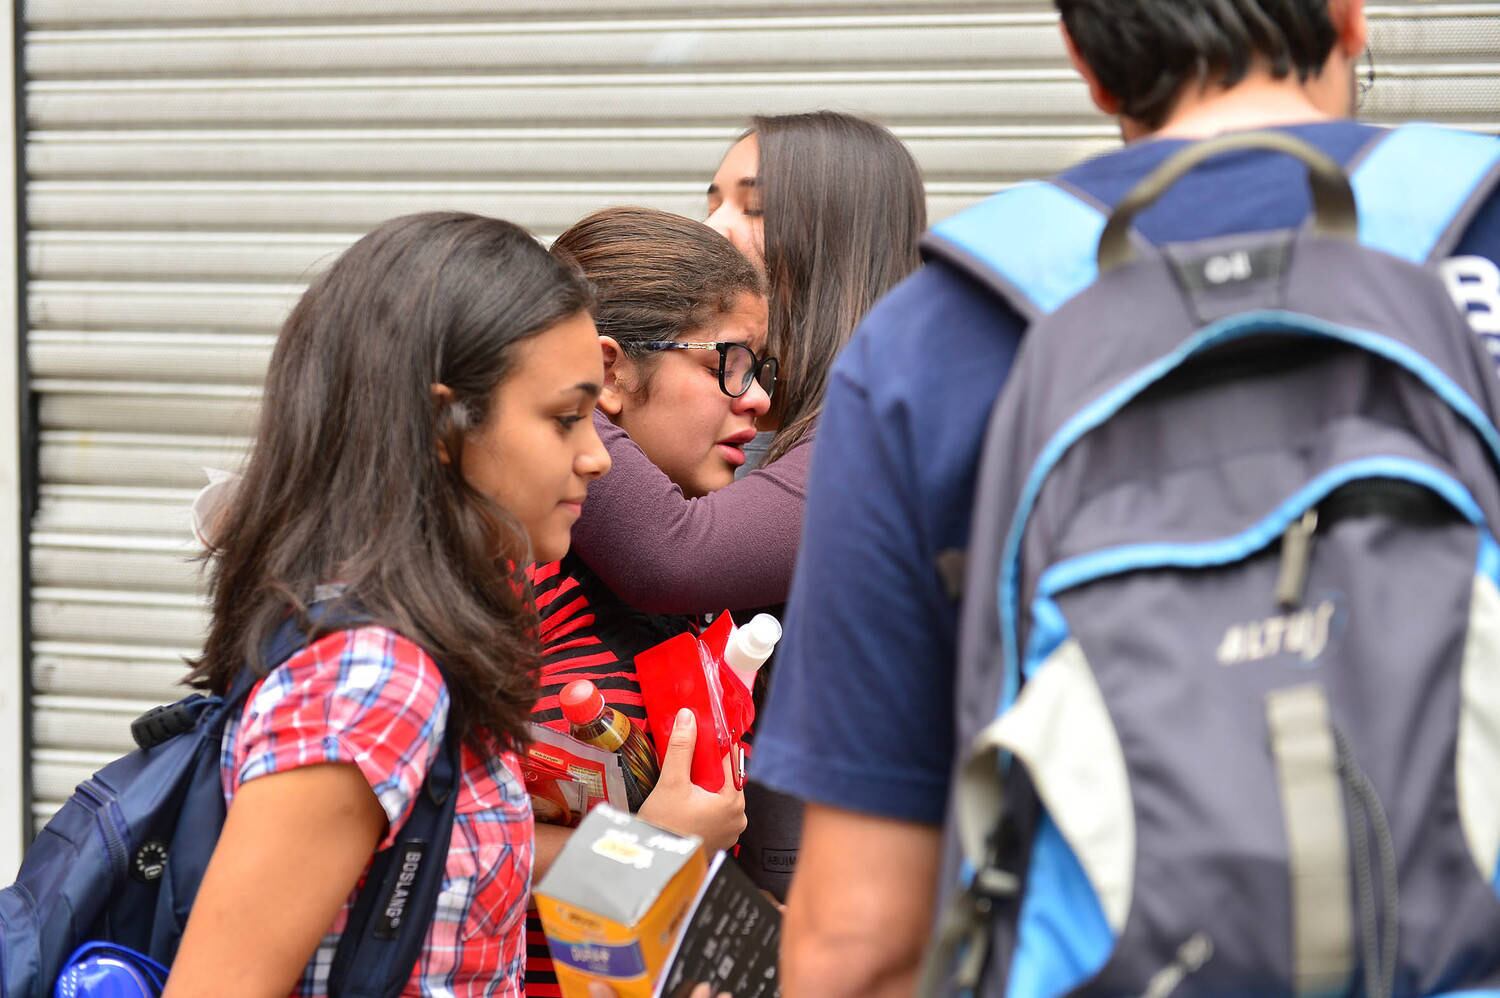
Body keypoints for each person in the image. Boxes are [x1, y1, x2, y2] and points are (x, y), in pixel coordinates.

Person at [750, 1, 1500, 994]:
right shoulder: (1480, 225)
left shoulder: (937, 333)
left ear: (1088, 62)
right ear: (1350, 15)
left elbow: (859, 941)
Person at [163, 211, 610, 997]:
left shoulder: (429, 644)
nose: (597, 455)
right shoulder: (371, 681)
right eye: (565, 417)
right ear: (444, 424)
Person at [524, 206, 766, 997]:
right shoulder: (509, 583)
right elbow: (403, 838)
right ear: (614, 374)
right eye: (728, 362)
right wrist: (645, 845)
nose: (756, 397)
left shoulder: (702, 598)